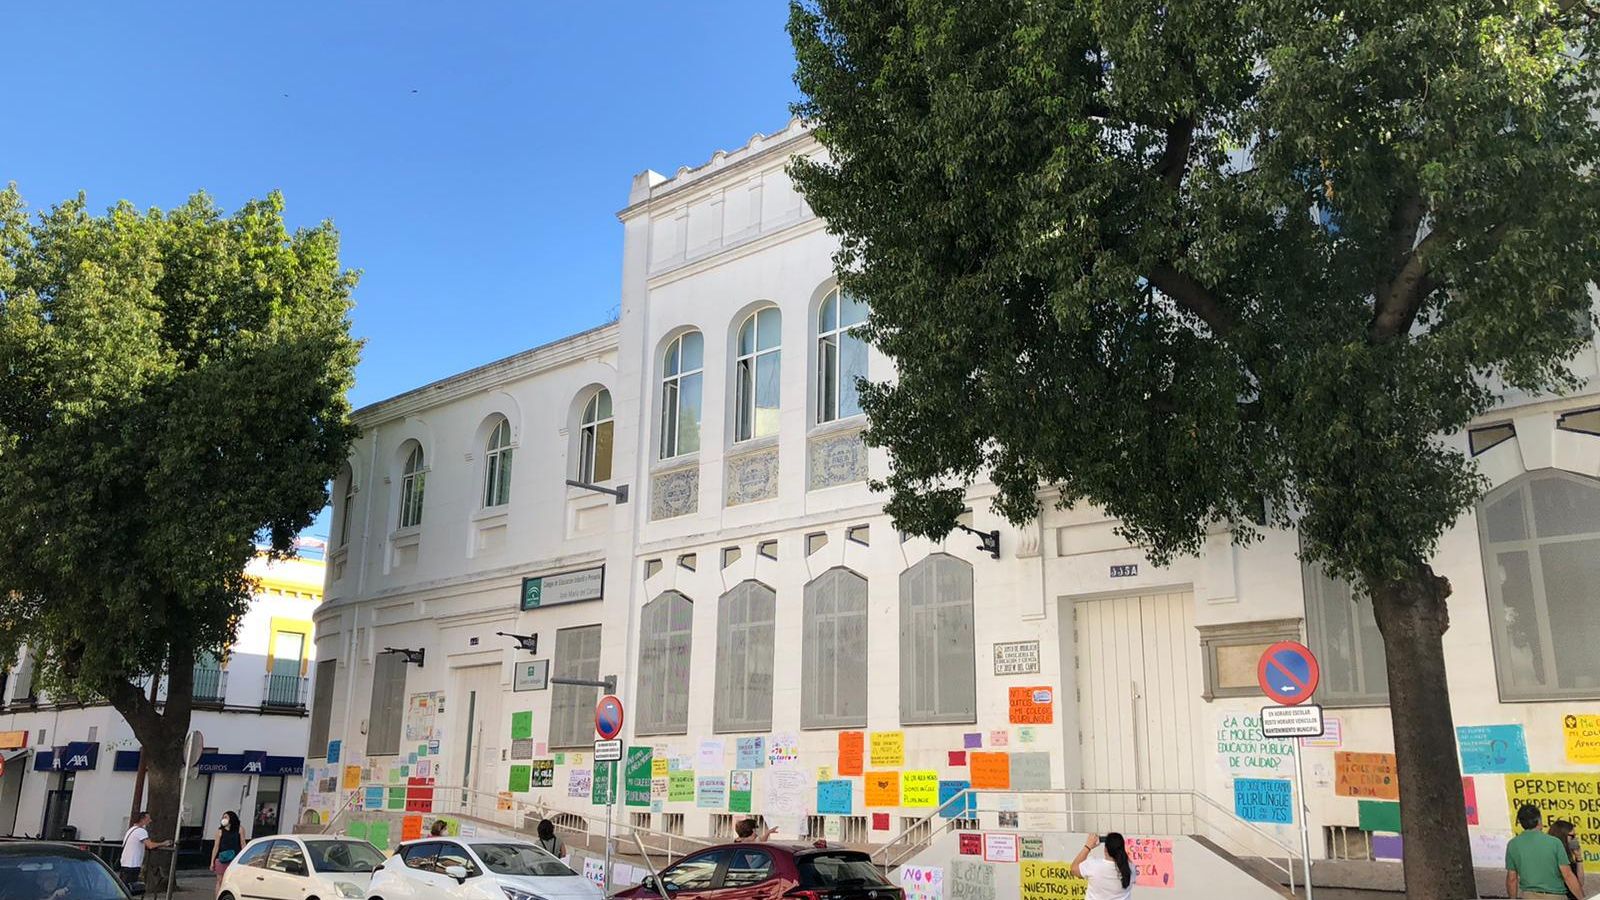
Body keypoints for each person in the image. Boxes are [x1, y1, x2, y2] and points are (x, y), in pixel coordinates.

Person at [1507, 804, 1584, 900]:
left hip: (1528, 895)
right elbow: (1568, 875)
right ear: (1539, 821)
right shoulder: (1554, 842)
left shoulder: (1513, 844)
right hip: (1555, 895)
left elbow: (1512, 879)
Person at [1071, 832, 1133, 900]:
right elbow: (1126, 860)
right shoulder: (1131, 868)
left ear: (1105, 849)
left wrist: (1088, 846)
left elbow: (1074, 869)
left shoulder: (1093, 865)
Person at [119, 811, 173, 885]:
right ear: (142, 819)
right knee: (130, 885)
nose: (150, 821)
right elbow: (150, 845)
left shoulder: (131, 830)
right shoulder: (141, 831)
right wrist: (164, 843)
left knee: (123, 884)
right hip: (133, 863)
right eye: (148, 819)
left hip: (125, 862)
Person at [1547, 820, 1585, 900]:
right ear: (1562, 836)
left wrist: (1579, 858)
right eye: (1572, 836)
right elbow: (1568, 877)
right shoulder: (1554, 854)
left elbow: (1580, 883)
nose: (1575, 839)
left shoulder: (1568, 854)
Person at [210, 811, 244, 890]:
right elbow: (216, 846)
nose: (223, 819)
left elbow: (243, 843)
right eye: (223, 817)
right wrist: (212, 861)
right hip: (222, 859)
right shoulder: (220, 831)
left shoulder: (240, 829)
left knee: (233, 881)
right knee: (220, 880)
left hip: (235, 859)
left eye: (226, 817)